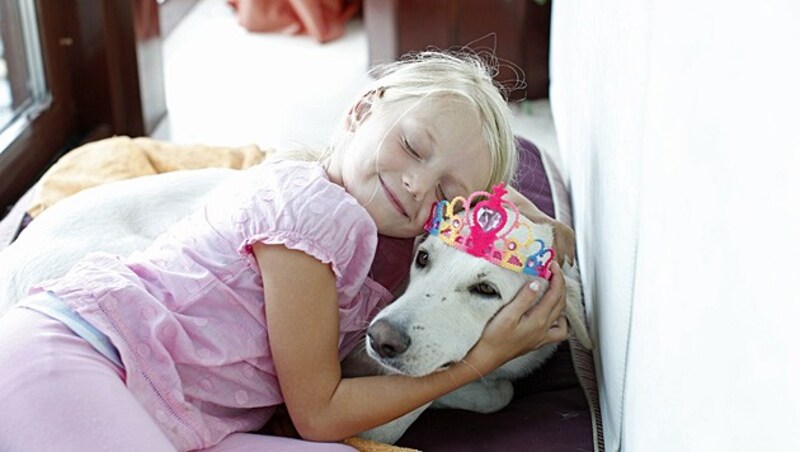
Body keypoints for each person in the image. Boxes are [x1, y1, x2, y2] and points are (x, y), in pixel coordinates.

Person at [0, 51, 572, 451]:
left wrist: (543, 226)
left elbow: (476, 206)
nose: (420, 186)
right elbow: (319, 414)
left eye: (448, 192)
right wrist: (478, 363)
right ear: (359, 110)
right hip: (85, 357)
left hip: (180, 413)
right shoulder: (316, 215)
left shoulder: (396, 232)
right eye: (411, 146)